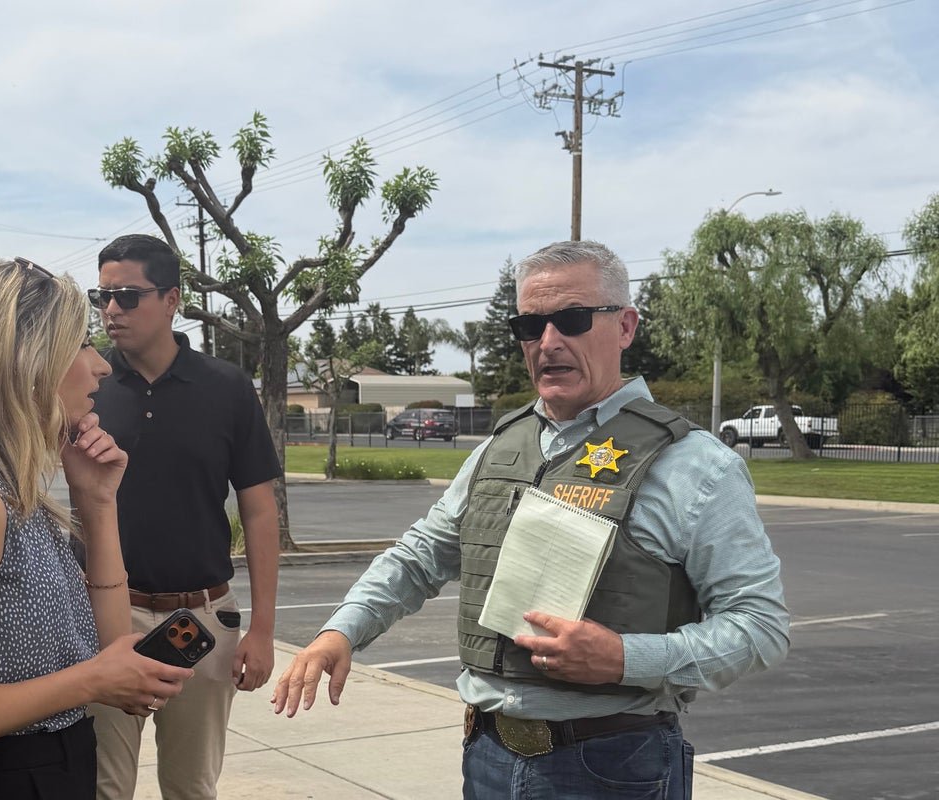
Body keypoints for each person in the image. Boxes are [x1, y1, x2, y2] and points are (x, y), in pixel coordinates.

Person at [273, 240, 791, 799]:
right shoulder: (499, 447)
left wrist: (624, 658)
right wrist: (340, 631)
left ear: (625, 326)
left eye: (571, 319)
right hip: (488, 756)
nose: (548, 343)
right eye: (529, 325)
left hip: (614, 765)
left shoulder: (696, 464)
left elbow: (760, 626)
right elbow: (422, 556)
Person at [0, 258, 193, 799]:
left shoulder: (12, 494)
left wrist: (97, 505)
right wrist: (92, 681)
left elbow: (112, 645)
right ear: (26, 360)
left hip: (54, 772)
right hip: (4, 780)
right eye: (79, 344)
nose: (100, 366)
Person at [86, 234, 282, 800]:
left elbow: (260, 510)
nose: (111, 310)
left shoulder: (226, 387)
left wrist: (263, 630)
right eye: (101, 297)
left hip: (200, 620)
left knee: (191, 787)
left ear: (171, 299)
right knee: (103, 788)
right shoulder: (87, 385)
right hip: (108, 618)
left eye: (127, 295)